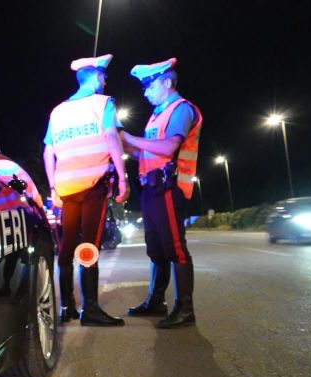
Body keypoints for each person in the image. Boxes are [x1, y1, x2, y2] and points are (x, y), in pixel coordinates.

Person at [43, 54, 130, 326]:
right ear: (95, 77)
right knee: (90, 244)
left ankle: (66, 306)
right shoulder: (103, 103)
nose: (105, 82)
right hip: (93, 186)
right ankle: (90, 309)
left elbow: (48, 152)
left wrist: (53, 187)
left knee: (67, 246)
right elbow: (112, 138)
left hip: (66, 189)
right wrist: (123, 179)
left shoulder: (58, 111)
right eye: (104, 77)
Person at [121, 58, 202, 328]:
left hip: (169, 186)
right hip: (151, 187)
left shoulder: (181, 109)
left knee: (176, 248)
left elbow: (168, 148)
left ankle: (185, 309)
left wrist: (130, 139)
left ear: (167, 82)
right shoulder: (156, 116)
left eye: (150, 86)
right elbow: (146, 152)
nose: (145, 93)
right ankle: (156, 301)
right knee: (155, 248)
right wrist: (124, 143)